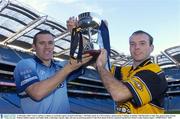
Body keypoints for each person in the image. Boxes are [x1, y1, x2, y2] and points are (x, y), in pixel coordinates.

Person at [13, 30, 92, 113]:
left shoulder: (61, 66)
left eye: (50, 43)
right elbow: (37, 93)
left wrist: (75, 33)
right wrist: (68, 68)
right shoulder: (25, 64)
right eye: (42, 43)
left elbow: (89, 54)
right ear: (34, 46)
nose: (47, 47)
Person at [96, 30, 168, 114]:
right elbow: (102, 67)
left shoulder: (154, 72)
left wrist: (100, 66)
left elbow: (119, 95)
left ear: (151, 48)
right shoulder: (124, 70)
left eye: (142, 43)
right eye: (132, 44)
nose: (136, 47)